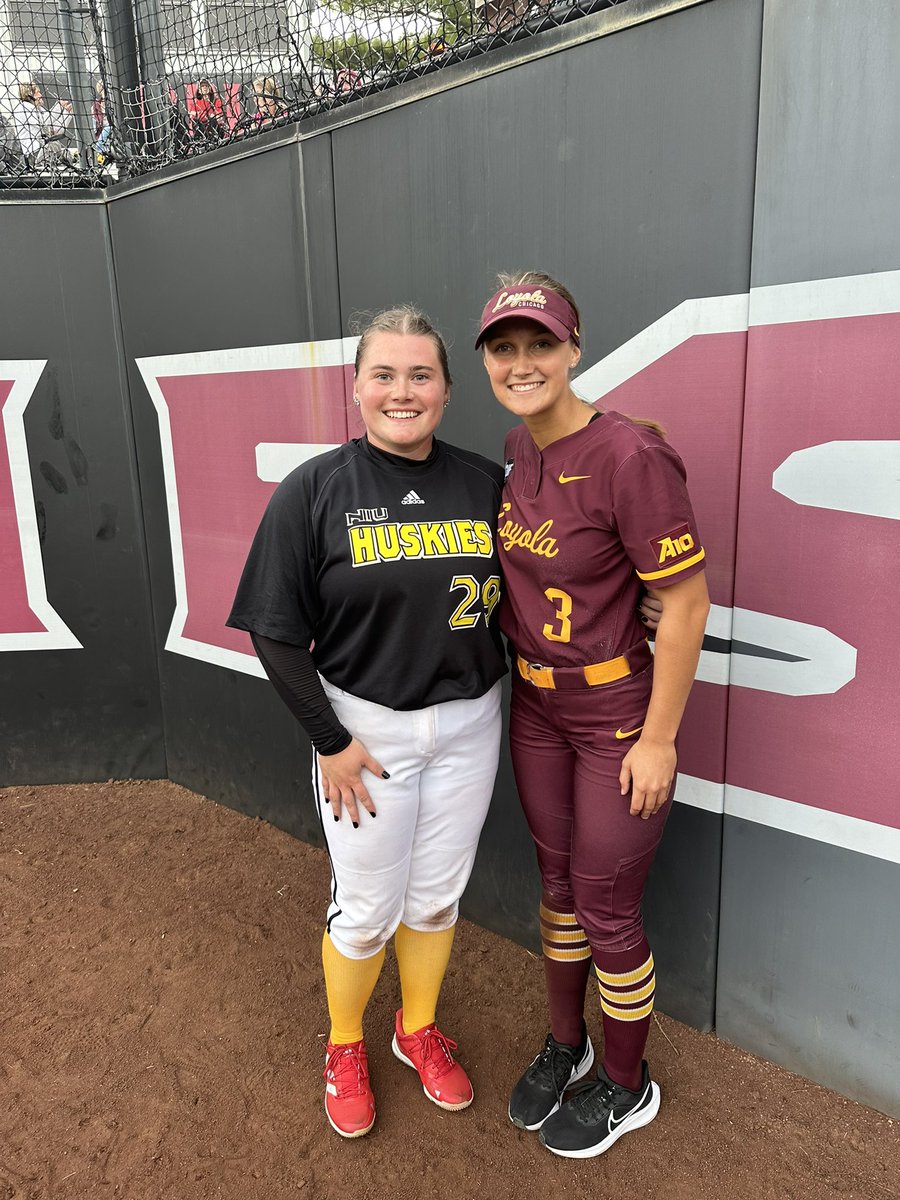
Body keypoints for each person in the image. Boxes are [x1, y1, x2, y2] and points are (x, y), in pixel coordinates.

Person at [227, 307, 507, 1139]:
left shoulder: (485, 484)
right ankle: (345, 1044)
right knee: (367, 908)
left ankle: (415, 1028)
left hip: (469, 721)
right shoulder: (314, 489)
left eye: (421, 374)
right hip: (366, 733)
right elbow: (274, 633)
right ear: (355, 387)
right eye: (383, 373)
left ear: (448, 392)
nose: (402, 390)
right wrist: (332, 743)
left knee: (435, 899)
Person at [476, 272, 710, 1159]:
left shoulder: (628, 456)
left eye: (541, 343)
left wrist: (659, 737)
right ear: (489, 362)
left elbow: (684, 606)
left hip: (616, 709)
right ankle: (566, 1044)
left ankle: (625, 1081)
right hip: (536, 704)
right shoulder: (516, 446)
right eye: (505, 347)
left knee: (608, 905)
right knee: (561, 890)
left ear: (575, 348)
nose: (523, 361)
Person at [11, 81, 73, 167]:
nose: (41, 95)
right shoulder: (23, 108)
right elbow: (43, 122)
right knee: (53, 146)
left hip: (45, 149)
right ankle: (40, 166)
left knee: (65, 153)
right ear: (30, 95)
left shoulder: (39, 109)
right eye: (37, 92)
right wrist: (58, 107)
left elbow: (55, 130)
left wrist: (67, 114)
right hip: (34, 154)